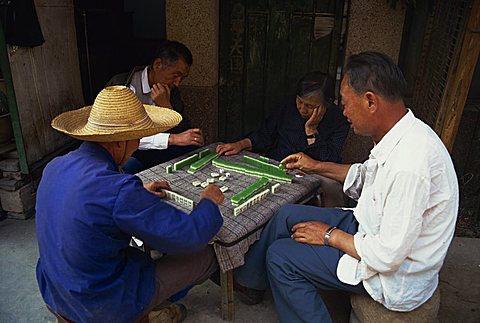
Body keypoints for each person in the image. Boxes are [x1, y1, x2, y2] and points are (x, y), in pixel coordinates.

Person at [233, 52, 459, 322]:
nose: (343, 112)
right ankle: (250, 283)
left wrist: (329, 235)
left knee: (280, 258)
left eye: (345, 104)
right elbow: (363, 176)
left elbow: (387, 256)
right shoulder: (400, 134)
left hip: (393, 276)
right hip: (368, 226)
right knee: (286, 215)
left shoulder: (410, 165)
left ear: (370, 101)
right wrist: (314, 165)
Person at [35, 86, 224, 323]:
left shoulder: (55, 166)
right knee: (206, 256)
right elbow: (188, 236)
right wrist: (208, 202)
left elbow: (90, 203)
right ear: (118, 142)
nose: (138, 144)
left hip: (55, 288)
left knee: (138, 252)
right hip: (100, 301)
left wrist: (138, 194)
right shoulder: (118, 191)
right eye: (137, 137)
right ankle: (147, 310)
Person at [216, 71, 350, 207]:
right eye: (300, 101)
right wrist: (240, 144)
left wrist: (311, 131)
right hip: (280, 164)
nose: (302, 109)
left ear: (326, 104)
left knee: (332, 188)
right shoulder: (287, 106)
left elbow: (331, 158)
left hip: (317, 172)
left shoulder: (339, 120)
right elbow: (264, 135)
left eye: (310, 106)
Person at [121, 40, 204, 174]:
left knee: (192, 146)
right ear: (158, 65)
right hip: (132, 150)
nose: (177, 83)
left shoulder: (171, 89)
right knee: (128, 167)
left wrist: (167, 107)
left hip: (162, 146)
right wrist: (172, 139)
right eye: (176, 75)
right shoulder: (127, 88)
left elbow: (183, 128)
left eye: (182, 78)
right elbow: (125, 137)